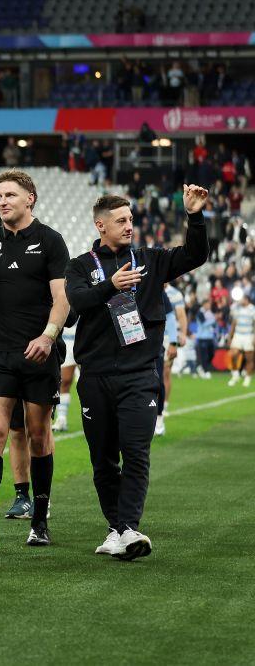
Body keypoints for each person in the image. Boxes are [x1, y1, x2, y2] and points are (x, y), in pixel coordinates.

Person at [65, 187, 208, 561]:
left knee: (136, 451)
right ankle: (116, 528)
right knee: (103, 459)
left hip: (140, 374)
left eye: (131, 219)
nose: (130, 226)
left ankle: (128, 527)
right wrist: (107, 287)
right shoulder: (80, 266)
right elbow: (77, 302)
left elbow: (196, 255)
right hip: (94, 375)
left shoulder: (151, 260)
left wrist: (194, 216)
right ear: (101, 225)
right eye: (121, 221)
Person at [0, 169, 70, 549]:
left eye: (9, 195)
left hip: (40, 354)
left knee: (39, 437)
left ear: (30, 199)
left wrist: (48, 335)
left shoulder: (51, 242)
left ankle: (39, 521)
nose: (2, 201)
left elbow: (62, 297)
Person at [155, 282, 187, 435]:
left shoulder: (165, 293)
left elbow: (172, 316)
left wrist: (174, 341)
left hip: (159, 341)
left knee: (160, 378)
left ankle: (160, 416)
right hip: (135, 343)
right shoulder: (133, 284)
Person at [51, 321, 78, 432]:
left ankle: (95, 417)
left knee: (90, 382)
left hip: (87, 338)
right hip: (67, 338)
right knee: (64, 381)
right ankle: (62, 419)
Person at [227, 292, 254, 387]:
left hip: (248, 335)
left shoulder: (252, 309)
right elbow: (234, 323)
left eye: (242, 299)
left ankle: (247, 378)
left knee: (249, 358)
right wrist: (230, 336)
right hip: (238, 334)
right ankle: (235, 375)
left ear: (247, 300)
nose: (240, 300)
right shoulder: (237, 308)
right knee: (232, 354)